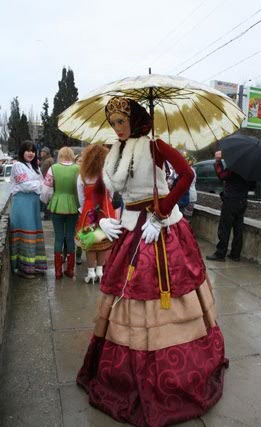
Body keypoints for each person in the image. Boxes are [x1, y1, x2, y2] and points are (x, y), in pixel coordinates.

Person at [76, 96, 228, 426]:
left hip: (161, 231)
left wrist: (161, 213)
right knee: (126, 295)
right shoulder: (113, 153)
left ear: (137, 120)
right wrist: (102, 218)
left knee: (164, 293)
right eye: (113, 122)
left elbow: (186, 175)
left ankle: (173, 371)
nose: (117, 128)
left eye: (121, 122)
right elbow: (99, 191)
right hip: (130, 230)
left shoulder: (156, 145)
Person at [76, 144, 115, 284]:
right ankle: (100, 271)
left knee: (91, 243)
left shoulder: (83, 176)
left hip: (89, 211)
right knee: (103, 242)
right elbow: (111, 194)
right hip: (106, 210)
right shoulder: (107, 175)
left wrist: (86, 208)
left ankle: (91, 272)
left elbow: (81, 197)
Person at [206, 150, 255, 262]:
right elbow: (253, 186)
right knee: (238, 228)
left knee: (225, 227)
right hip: (242, 201)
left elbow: (222, 175)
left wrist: (218, 161)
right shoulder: (250, 170)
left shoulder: (235, 166)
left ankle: (220, 253)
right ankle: (235, 254)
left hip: (231, 200)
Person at [10, 140, 47, 279]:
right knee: (26, 232)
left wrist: (38, 184)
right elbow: (25, 186)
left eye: (33, 151)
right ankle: (22, 268)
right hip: (22, 203)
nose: (31, 153)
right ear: (22, 152)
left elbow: (42, 183)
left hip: (33, 204)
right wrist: (39, 184)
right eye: (28, 150)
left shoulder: (34, 167)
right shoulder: (17, 166)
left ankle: (34, 265)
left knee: (34, 232)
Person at [40, 147, 79, 279]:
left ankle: (57, 271)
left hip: (57, 204)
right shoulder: (77, 169)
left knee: (58, 236)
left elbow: (46, 191)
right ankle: (70, 269)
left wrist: (47, 201)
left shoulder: (53, 168)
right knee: (70, 236)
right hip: (73, 205)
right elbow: (80, 190)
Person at [40, 146, 54, 220]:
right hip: (49, 181)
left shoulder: (47, 161)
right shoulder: (48, 160)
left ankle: (47, 215)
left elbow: (42, 173)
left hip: (47, 182)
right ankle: (47, 215)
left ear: (46, 153)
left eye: (43, 152)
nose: (41, 153)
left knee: (46, 199)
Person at [74, 153, 83, 265]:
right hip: (73, 204)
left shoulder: (86, 174)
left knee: (80, 231)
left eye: (82, 161)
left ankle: (79, 253)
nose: (81, 162)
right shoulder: (73, 173)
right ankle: (75, 253)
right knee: (74, 231)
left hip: (82, 206)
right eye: (79, 160)